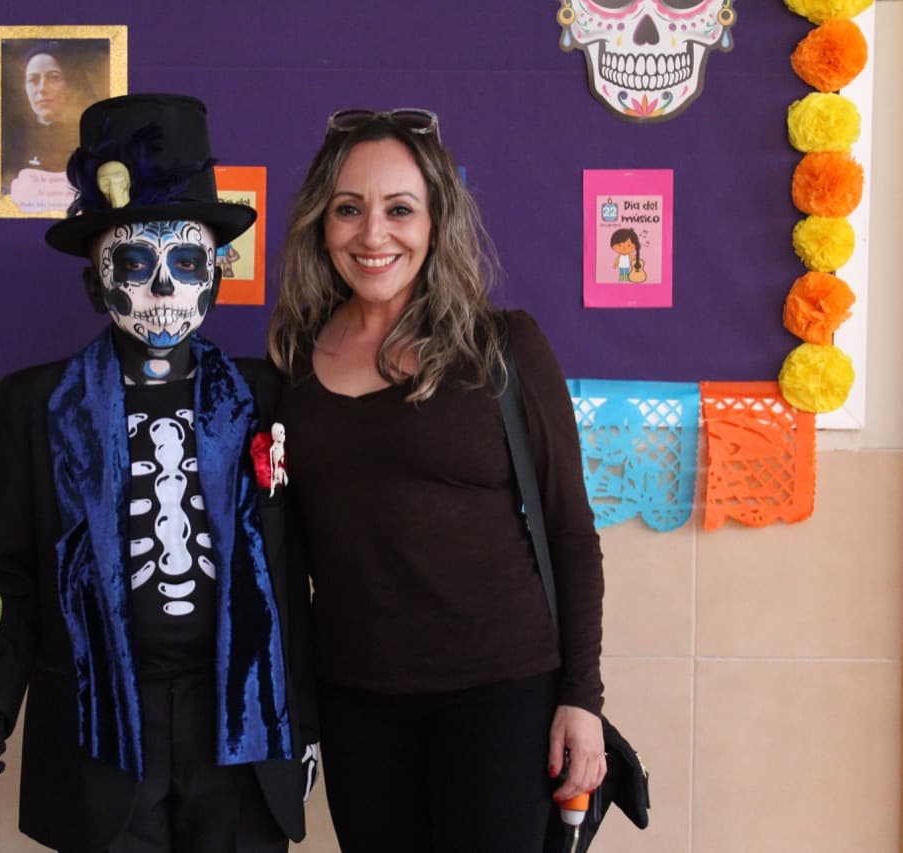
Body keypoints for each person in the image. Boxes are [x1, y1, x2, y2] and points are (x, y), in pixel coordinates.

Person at [0, 93, 318, 853]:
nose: (163, 289)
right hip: (99, 728)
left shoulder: (266, 395)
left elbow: (296, 574)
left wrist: (303, 723)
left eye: (185, 263)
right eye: (134, 263)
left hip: (239, 727)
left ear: (215, 276)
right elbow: (2, 575)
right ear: (95, 282)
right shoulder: (40, 402)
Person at [267, 108, 606, 852]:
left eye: (399, 209)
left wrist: (581, 697)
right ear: (322, 224)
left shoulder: (502, 347)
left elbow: (570, 530)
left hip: (502, 695)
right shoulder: (291, 361)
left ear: (436, 220)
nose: (372, 234)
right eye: (348, 209)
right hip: (357, 701)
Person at [1, 40, 107, 211]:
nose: (42, 89)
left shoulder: (89, 138)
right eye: (33, 80)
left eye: (53, 77)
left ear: (70, 84)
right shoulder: (13, 144)